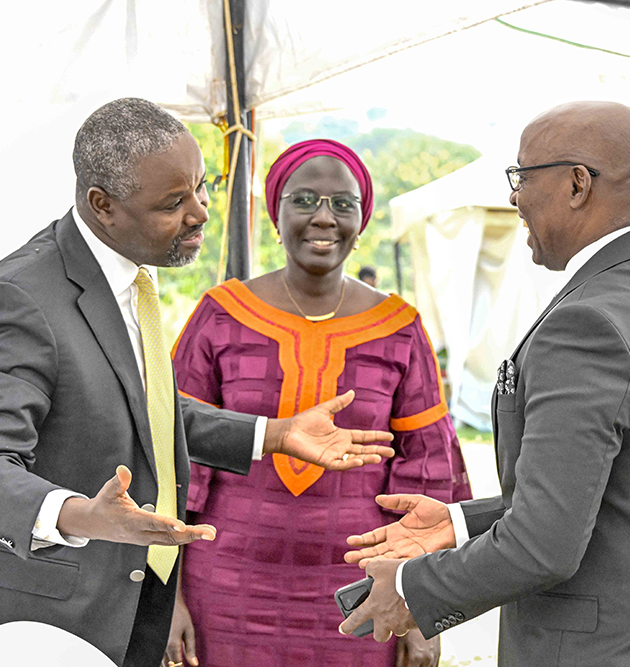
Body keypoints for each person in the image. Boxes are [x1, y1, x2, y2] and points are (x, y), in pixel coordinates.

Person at [0, 98, 395, 667]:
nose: (201, 213)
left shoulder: (124, 273)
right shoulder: (20, 299)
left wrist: (272, 434)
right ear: (103, 205)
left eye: (202, 188)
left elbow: (138, 404)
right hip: (20, 626)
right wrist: (80, 513)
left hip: (115, 610)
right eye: (174, 203)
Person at [340, 102, 630, 667]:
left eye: (522, 177)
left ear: (578, 184)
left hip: (613, 647)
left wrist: (414, 589)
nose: (515, 199)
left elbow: (544, 545)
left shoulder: (586, 323)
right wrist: (459, 522)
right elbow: (625, 493)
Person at [166, 139, 472, 667]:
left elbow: (429, 475)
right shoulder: (222, 315)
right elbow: (169, 452)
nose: (323, 218)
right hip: (224, 584)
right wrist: (166, 598)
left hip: (363, 589)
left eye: (343, 204)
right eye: (304, 201)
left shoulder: (399, 328)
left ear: (362, 220)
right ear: (276, 214)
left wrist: (423, 607)